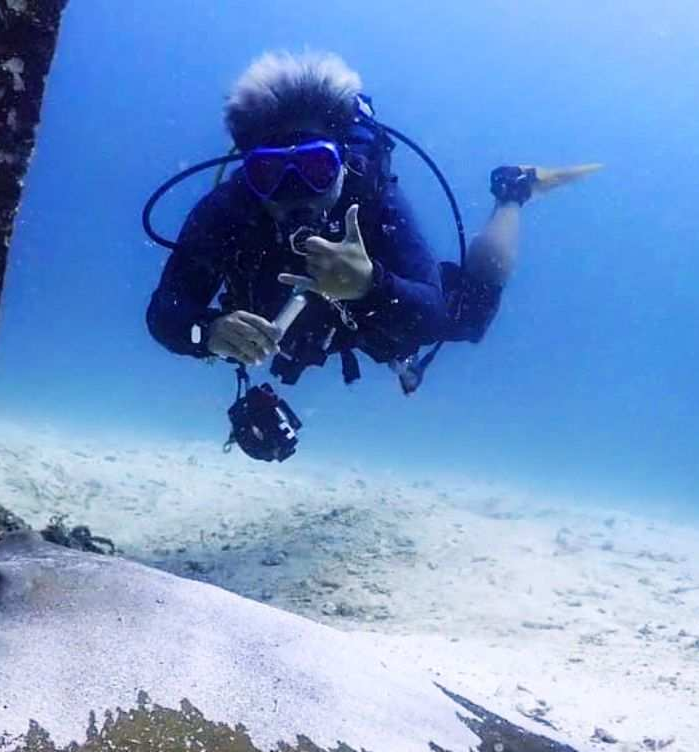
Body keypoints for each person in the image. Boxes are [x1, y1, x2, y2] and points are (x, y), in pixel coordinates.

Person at [144, 50, 595, 456]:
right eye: (269, 173)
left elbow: (433, 318)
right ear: (250, 172)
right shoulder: (228, 208)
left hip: (375, 309)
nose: (295, 193)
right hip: (300, 319)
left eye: (316, 168)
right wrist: (208, 330)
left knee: (471, 315)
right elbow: (165, 311)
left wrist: (370, 285)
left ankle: (512, 192)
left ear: (341, 162)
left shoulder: (373, 196)